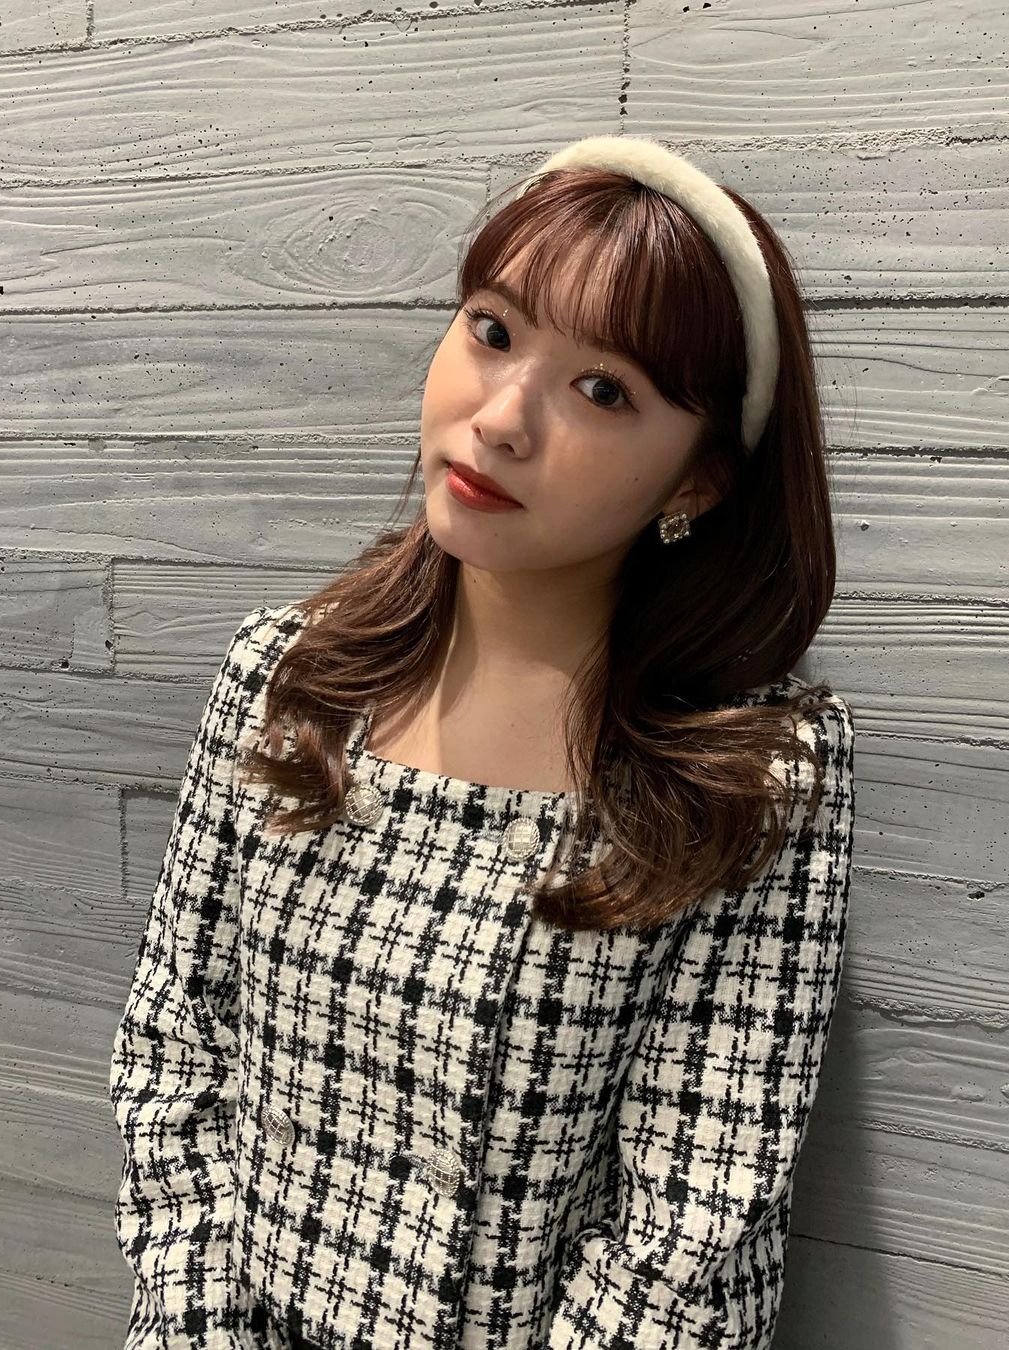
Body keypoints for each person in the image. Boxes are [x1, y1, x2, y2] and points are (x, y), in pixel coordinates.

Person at [109, 134, 856, 1349]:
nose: (501, 418)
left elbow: (694, 1226)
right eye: (493, 331)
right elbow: (172, 1054)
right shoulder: (285, 676)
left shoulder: (751, 773)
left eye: (604, 391)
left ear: (699, 481)